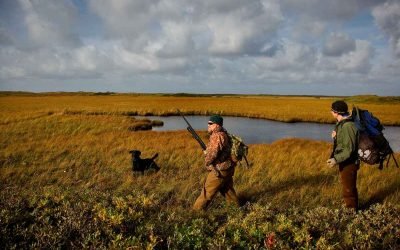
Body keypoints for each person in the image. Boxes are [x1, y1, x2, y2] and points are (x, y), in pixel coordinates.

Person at [193, 115, 239, 210]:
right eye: (208, 123)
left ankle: (195, 214)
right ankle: (236, 211)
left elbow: (212, 155)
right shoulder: (223, 133)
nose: (208, 125)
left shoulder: (217, 136)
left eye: (210, 123)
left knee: (206, 193)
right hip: (227, 168)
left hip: (220, 170)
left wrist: (207, 160)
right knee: (228, 191)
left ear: (217, 125)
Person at [327, 100, 359, 211]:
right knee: (349, 187)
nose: (330, 112)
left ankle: (351, 213)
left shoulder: (347, 126)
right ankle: (352, 209)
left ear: (336, 112)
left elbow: (349, 150)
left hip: (349, 162)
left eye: (332, 110)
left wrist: (335, 160)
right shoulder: (341, 123)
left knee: (348, 190)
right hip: (345, 161)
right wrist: (336, 137)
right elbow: (344, 143)